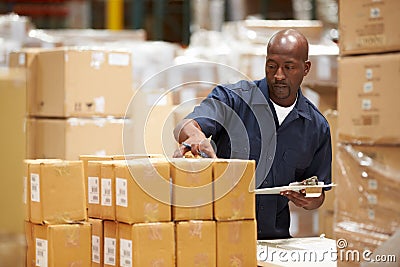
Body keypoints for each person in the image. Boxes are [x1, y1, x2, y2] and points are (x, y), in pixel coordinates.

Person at [173, 29, 332, 239]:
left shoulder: (316, 127)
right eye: (272, 66)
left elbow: (318, 194)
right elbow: (187, 125)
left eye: (289, 67)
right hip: (221, 237)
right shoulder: (233, 100)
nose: (279, 76)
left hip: (274, 242)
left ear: (306, 68)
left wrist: (310, 200)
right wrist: (194, 136)